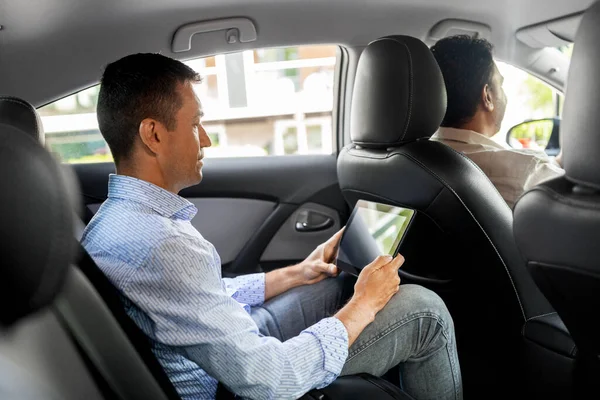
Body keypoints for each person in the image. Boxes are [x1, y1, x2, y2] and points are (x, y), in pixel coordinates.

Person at [81, 53, 462, 400]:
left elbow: (196, 297)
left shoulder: (114, 220)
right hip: (233, 385)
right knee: (424, 311)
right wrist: (364, 305)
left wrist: (296, 274)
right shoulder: (161, 245)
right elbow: (271, 378)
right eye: (196, 124)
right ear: (154, 134)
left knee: (333, 282)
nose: (207, 139)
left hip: (228, 345)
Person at [430, 35, 564, 208]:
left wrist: (558, 161)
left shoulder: (414, 161)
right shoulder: (526, 172)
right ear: (487, 96)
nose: (504, 95)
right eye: (500, 85)